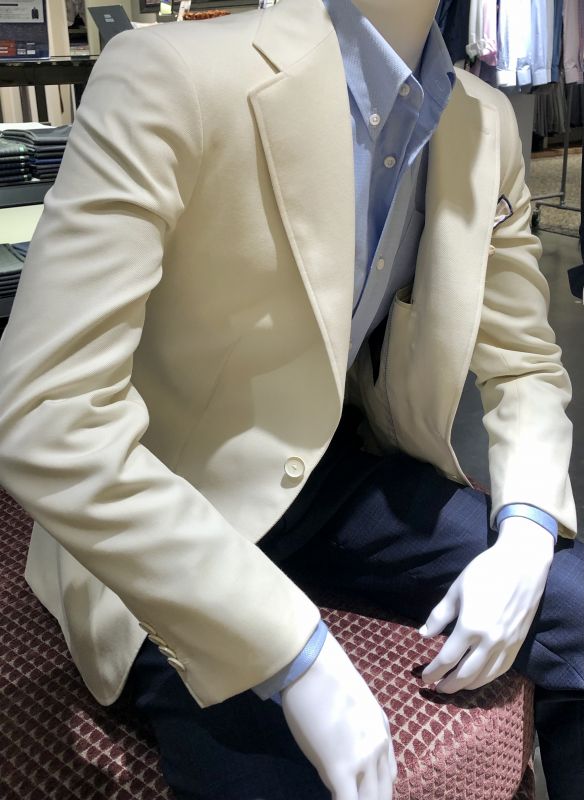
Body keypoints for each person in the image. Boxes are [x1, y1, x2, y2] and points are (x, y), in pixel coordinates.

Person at [0, 0, 582, 798]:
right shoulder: (172, 75)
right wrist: (296, 654)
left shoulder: (483, 124)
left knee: (574, 602)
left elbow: (524, 365)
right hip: (166, 501)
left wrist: (526, 536)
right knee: (286, 774)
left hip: (332, 477)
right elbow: (46, 409)